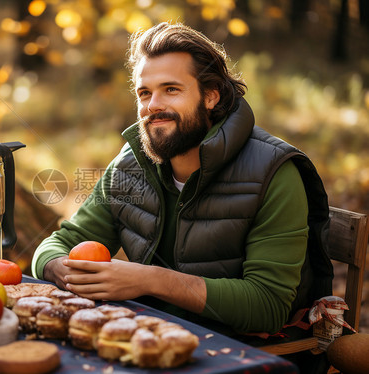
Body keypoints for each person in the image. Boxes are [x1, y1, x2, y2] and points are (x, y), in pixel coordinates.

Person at [32, 22, 332, 372]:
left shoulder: (274, 172)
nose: (153, 106)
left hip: (245, 354)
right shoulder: (130, 165)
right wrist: (64, 271)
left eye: (170, 90)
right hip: (149, 338)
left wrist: (149, 279)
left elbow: (267, 306)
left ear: (211, 95)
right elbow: (56, 246)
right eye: (144, 93)